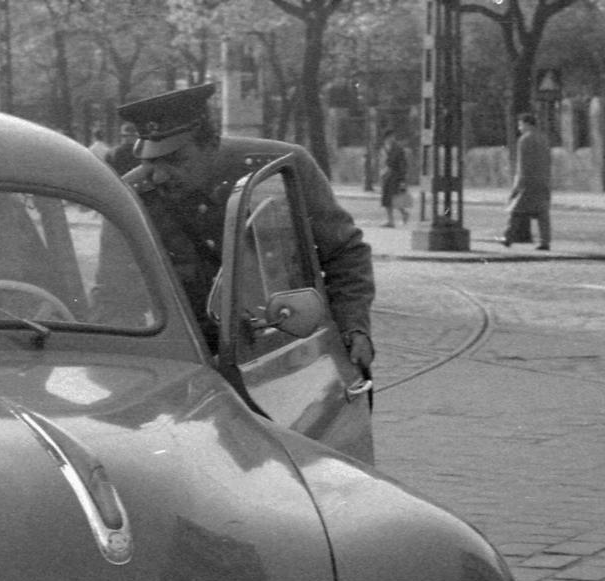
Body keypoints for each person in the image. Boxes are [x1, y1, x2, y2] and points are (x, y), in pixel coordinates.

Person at [109, 82, 376, 380]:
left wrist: (353, 326)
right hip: (190, 365)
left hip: (283, 352)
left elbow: (345, 252)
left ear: (210, 146)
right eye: (150, 163)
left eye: (175, 161)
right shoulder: (133, 197)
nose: (159, 176)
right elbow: (113, 294)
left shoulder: (280, 169)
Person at [500, 113, 551, 250]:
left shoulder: (524, 140)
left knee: (515, 210)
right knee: (542, 214)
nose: (519, 128)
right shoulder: (543, 139)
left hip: (528, 181)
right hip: (543, 180)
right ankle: (545, 241)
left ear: (526, 124)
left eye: (520, 125)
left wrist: (516, 186)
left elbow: (522, 165)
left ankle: (508, 237)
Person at [378, 131, 411, 227]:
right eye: (388, 138)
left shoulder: (398, 149)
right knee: (387, 199)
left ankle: (404, 213)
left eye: (391, 137)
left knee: (394, 198)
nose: (390, 139)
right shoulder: (385, 148)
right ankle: (391, 221)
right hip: (387, 176)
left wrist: (402, 179)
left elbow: (402, 165)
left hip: (395, 176)